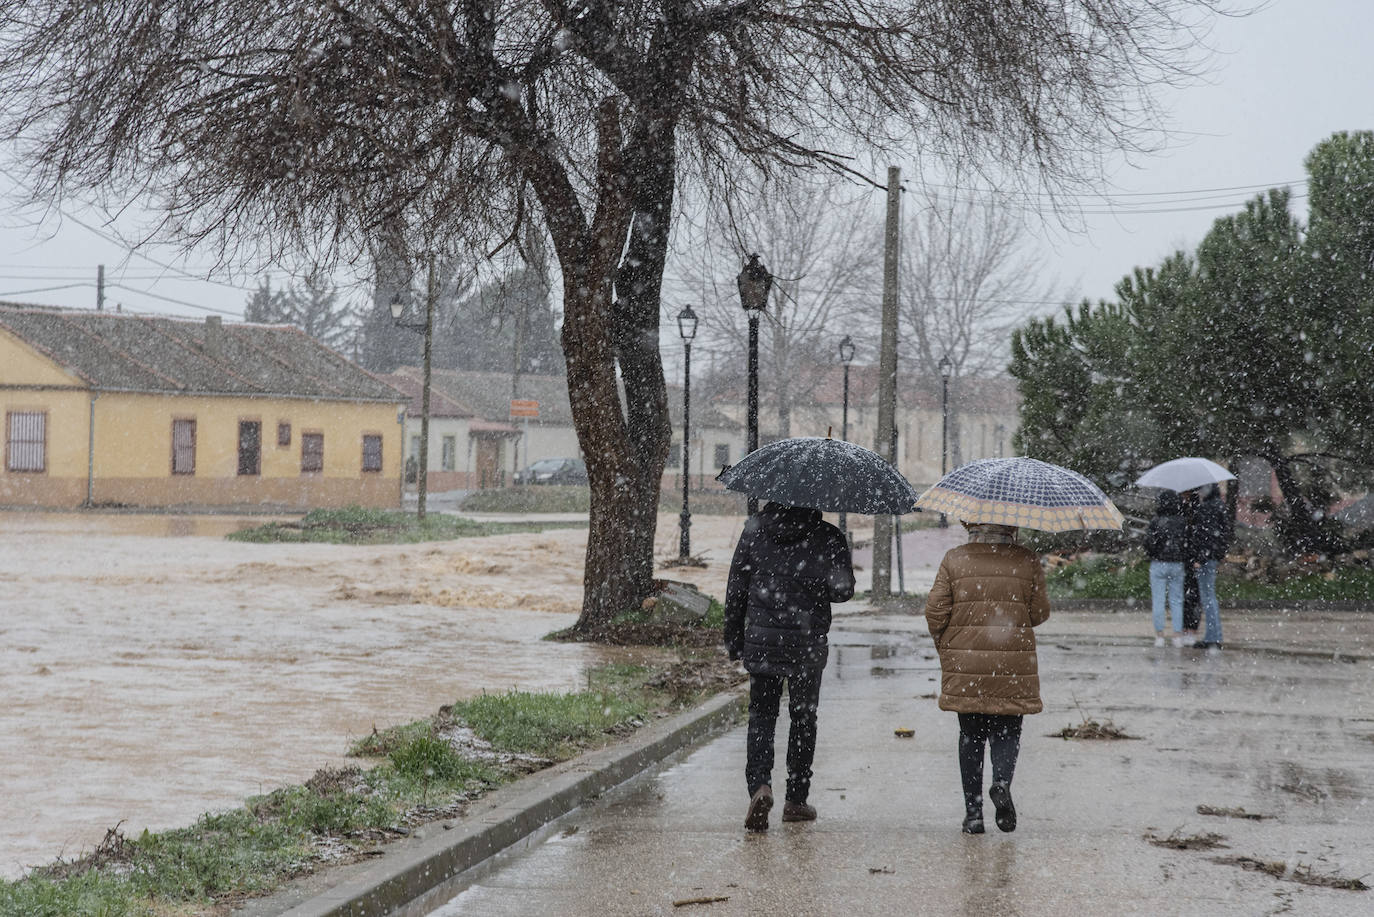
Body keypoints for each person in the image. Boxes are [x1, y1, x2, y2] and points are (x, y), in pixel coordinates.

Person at [724, 501, 854, 832]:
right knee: (803, 718)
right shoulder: (828, 536)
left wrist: (733, 639)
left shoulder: (755, 530)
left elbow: (736, 588)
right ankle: (796, 799)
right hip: (806, 645)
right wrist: (826, 571)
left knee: (762, 717)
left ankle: (760, 786)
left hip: (763, 642)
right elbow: (842, 592)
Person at [924, 521, 1050, 835]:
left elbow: (935, 611)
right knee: (1007, 731)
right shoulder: (1026, 559)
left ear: (972, 524)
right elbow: (1039, 613)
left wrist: (946, 642)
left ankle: (974, 815)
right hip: (1012, 661)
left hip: (966, 662)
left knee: (971, 737)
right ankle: (1001, 782)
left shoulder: (955, 558)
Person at [1187, 484, 1232, 650]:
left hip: (1206, 559)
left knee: (1207, 599)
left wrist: (1200, 557)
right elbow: (1222, 534)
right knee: (1209, 598)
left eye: (1201, 490)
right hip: (1212, 557)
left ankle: (1213, 638)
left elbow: (1205, 535)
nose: (1199, 493)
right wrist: (1218, 555)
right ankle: (1213, 636)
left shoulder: (1207, 508)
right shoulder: (1220, 506)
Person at [1144, 490, 1188, 646]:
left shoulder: (1156, 521)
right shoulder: (1183, 522)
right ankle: (1177, 635)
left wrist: (1154, 553)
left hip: (1158, 563)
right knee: (1176, 600)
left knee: (1158, 600)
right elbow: (1186, 543)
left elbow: (1148, 542)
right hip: (1177, 564)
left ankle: (1160, 636)